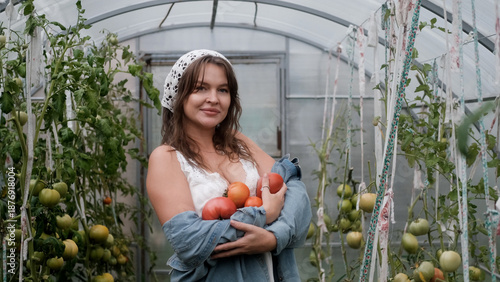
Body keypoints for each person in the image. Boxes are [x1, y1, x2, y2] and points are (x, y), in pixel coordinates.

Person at [146, 49, 311, 281]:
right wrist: (264, 214)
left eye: (222, 90)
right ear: (179, 96)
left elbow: (293, 187)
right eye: (201, 88)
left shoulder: (238, 142)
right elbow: (189, 240)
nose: (213, 98)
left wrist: (274, 237)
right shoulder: (167, 157)